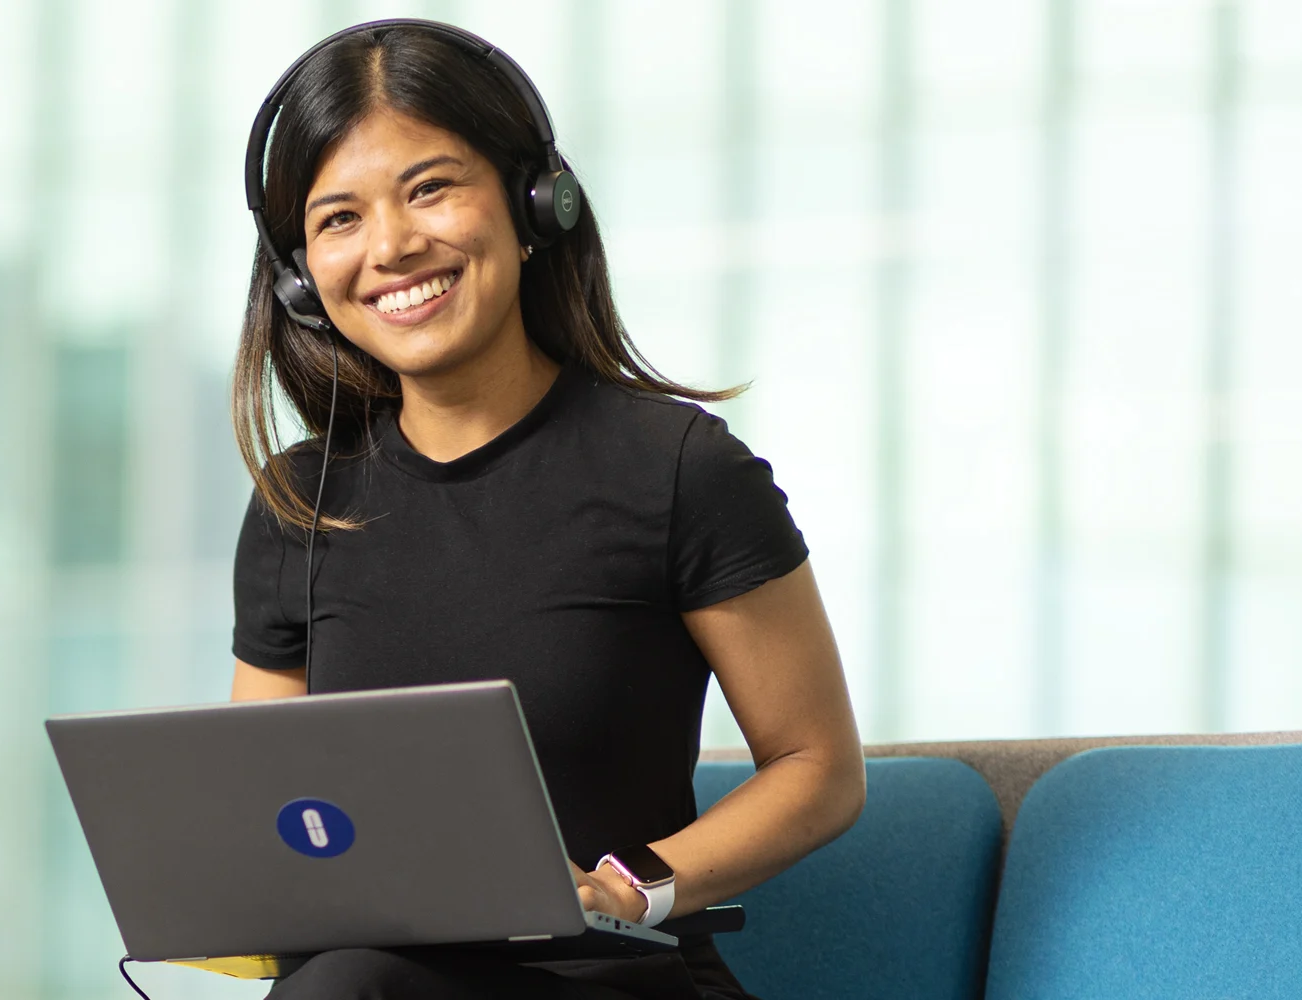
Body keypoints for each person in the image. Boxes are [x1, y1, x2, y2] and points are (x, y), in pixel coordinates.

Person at [229, 20, 865, 1000]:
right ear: (302, 279)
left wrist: (632, 886)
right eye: (339, 218)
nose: (392, 245)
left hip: (605, 972)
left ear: (535, 204)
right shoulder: (297, 506)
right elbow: (276, 821)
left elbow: (815, 764)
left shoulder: (679, 470)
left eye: (430, 188)